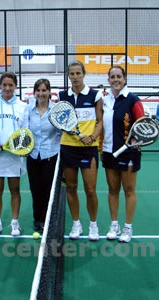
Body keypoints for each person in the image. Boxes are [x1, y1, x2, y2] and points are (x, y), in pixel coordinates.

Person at [58, 61, 103, 241]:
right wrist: (64, 128)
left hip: (88, 148)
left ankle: (93, 225)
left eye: (78, 73)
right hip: (68, 147)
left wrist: (92, 137)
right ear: (68, 75)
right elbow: (60, 119)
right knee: (71, 187)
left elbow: (100, 121)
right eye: (72, 74)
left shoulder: (95, 95)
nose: (75, 77)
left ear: (84, 74)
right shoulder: (63, 96)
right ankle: (76, 224)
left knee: (90, 190)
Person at [101, 66, 146, 243]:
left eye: (119, 76)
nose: (116, 79)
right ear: (108, 80)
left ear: (125, 79)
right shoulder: (105, 101)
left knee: (128, 190)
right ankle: (114, 226)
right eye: (112, 77)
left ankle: (127, 228)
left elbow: (144, 126)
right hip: (108, 151)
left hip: (129, 153)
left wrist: (136, 140)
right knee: (112, 190)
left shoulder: (133, 100)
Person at [0, 72, 29, 237]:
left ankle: (14, 223)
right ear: (0, 86)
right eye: (4, 85)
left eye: (11, 85)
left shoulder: (22, 106)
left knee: (15, 190)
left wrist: (20, 148)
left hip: (14, 156)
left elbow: (25, 132)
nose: (8, 88)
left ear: (15, 86)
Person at [27, 79, 61, 233]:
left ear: (49, 92)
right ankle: (38, 219)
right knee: (36, 190)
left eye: (44, 90)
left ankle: (48, 219)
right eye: (38, 90)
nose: (41, 93)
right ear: (34, 93)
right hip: (33, 156)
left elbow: (61, 132)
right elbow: (24, 131)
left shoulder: (56, 110)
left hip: (51, 155)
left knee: (49, 190)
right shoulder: (28, 110)